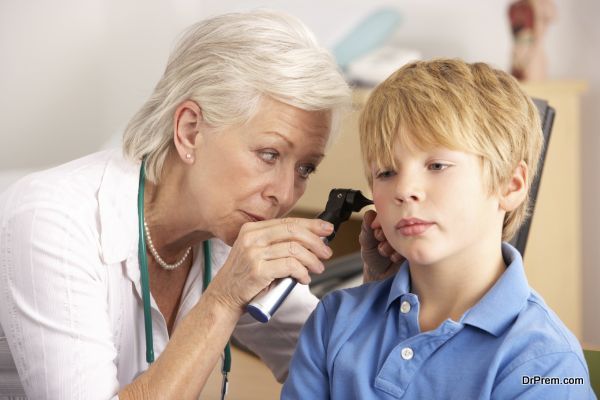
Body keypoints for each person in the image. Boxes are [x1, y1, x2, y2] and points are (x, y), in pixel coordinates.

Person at [0, 10, 351, 399]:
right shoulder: (53, 221)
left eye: (305, 168)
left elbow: (341, 365)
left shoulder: (222, 234)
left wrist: (382, 282)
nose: (285, 194)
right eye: (269, 154)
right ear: (189, 130)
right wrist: (223, 300)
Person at [282, 59, 596, 399]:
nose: (405, 189)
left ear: (510, 185)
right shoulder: (334, 320)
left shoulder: (548, 365)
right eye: (386, 173)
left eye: (437, 165)